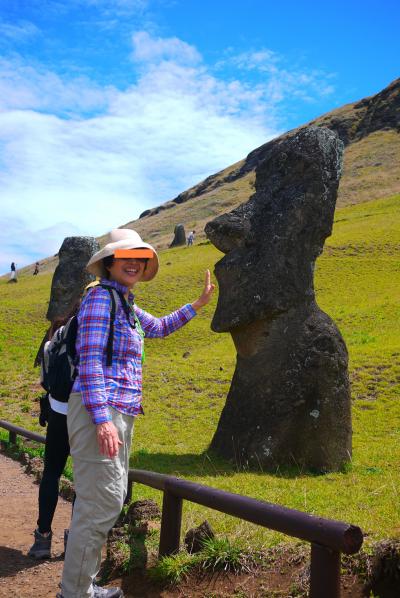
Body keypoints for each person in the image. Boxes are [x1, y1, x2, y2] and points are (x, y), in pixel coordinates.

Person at [58, 229, 215, 598]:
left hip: (117, 412)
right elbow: (90, 360)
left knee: (103, 500)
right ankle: (74, 593)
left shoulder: (123, 302)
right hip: (102, 409)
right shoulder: (100, 299)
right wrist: (102, 420)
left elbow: (158, 327)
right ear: (109, 262)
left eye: (140, 257)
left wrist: (198, 304)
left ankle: (83, 586)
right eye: (126, 255)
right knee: (102, 504)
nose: (134, 261)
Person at [28, 308, 79, 559]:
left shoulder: (59, 333)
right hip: (86, 416)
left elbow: (44, 378)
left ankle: (42, 538)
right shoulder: (93, 329)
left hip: (58, 413)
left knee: (51, 473)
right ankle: (75, 539)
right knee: (83, 480)